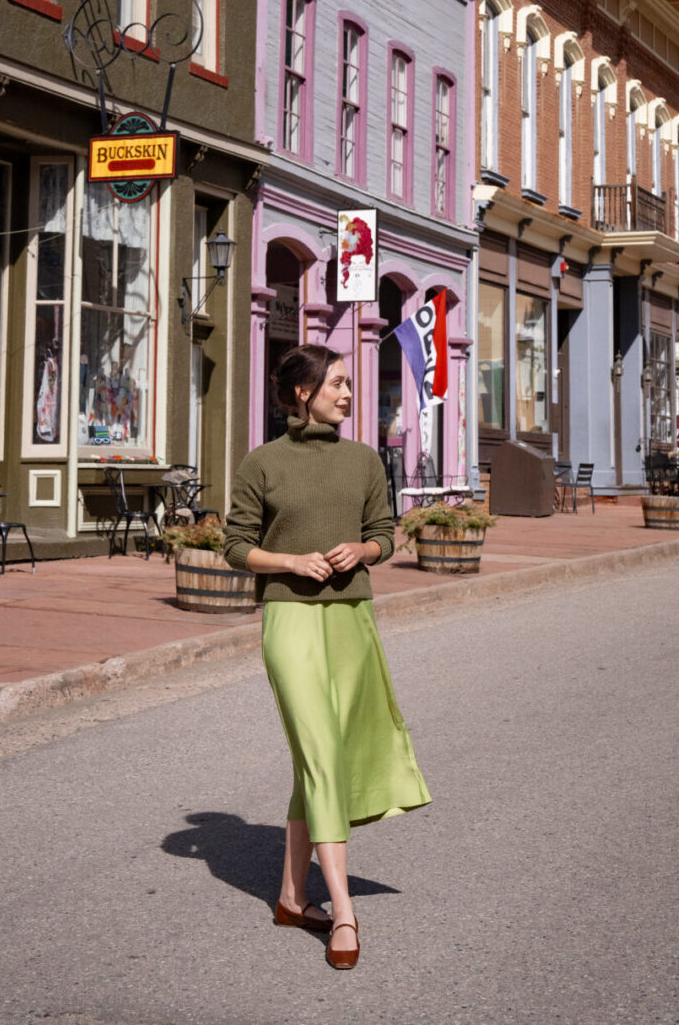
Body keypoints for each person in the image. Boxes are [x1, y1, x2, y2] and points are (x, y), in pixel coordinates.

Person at [224, 343, 431, 971]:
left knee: (321, 756)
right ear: (301, 393)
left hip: (350, 618)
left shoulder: (365, 461)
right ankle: (342, 908)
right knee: (318, 750)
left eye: (347, 383)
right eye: (337, 383)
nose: (348, 393)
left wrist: (360, 552)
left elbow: (386, 535)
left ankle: (292, 896)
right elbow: (236, 545)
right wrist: (288, 561)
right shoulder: (263, 463)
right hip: (288, 617)